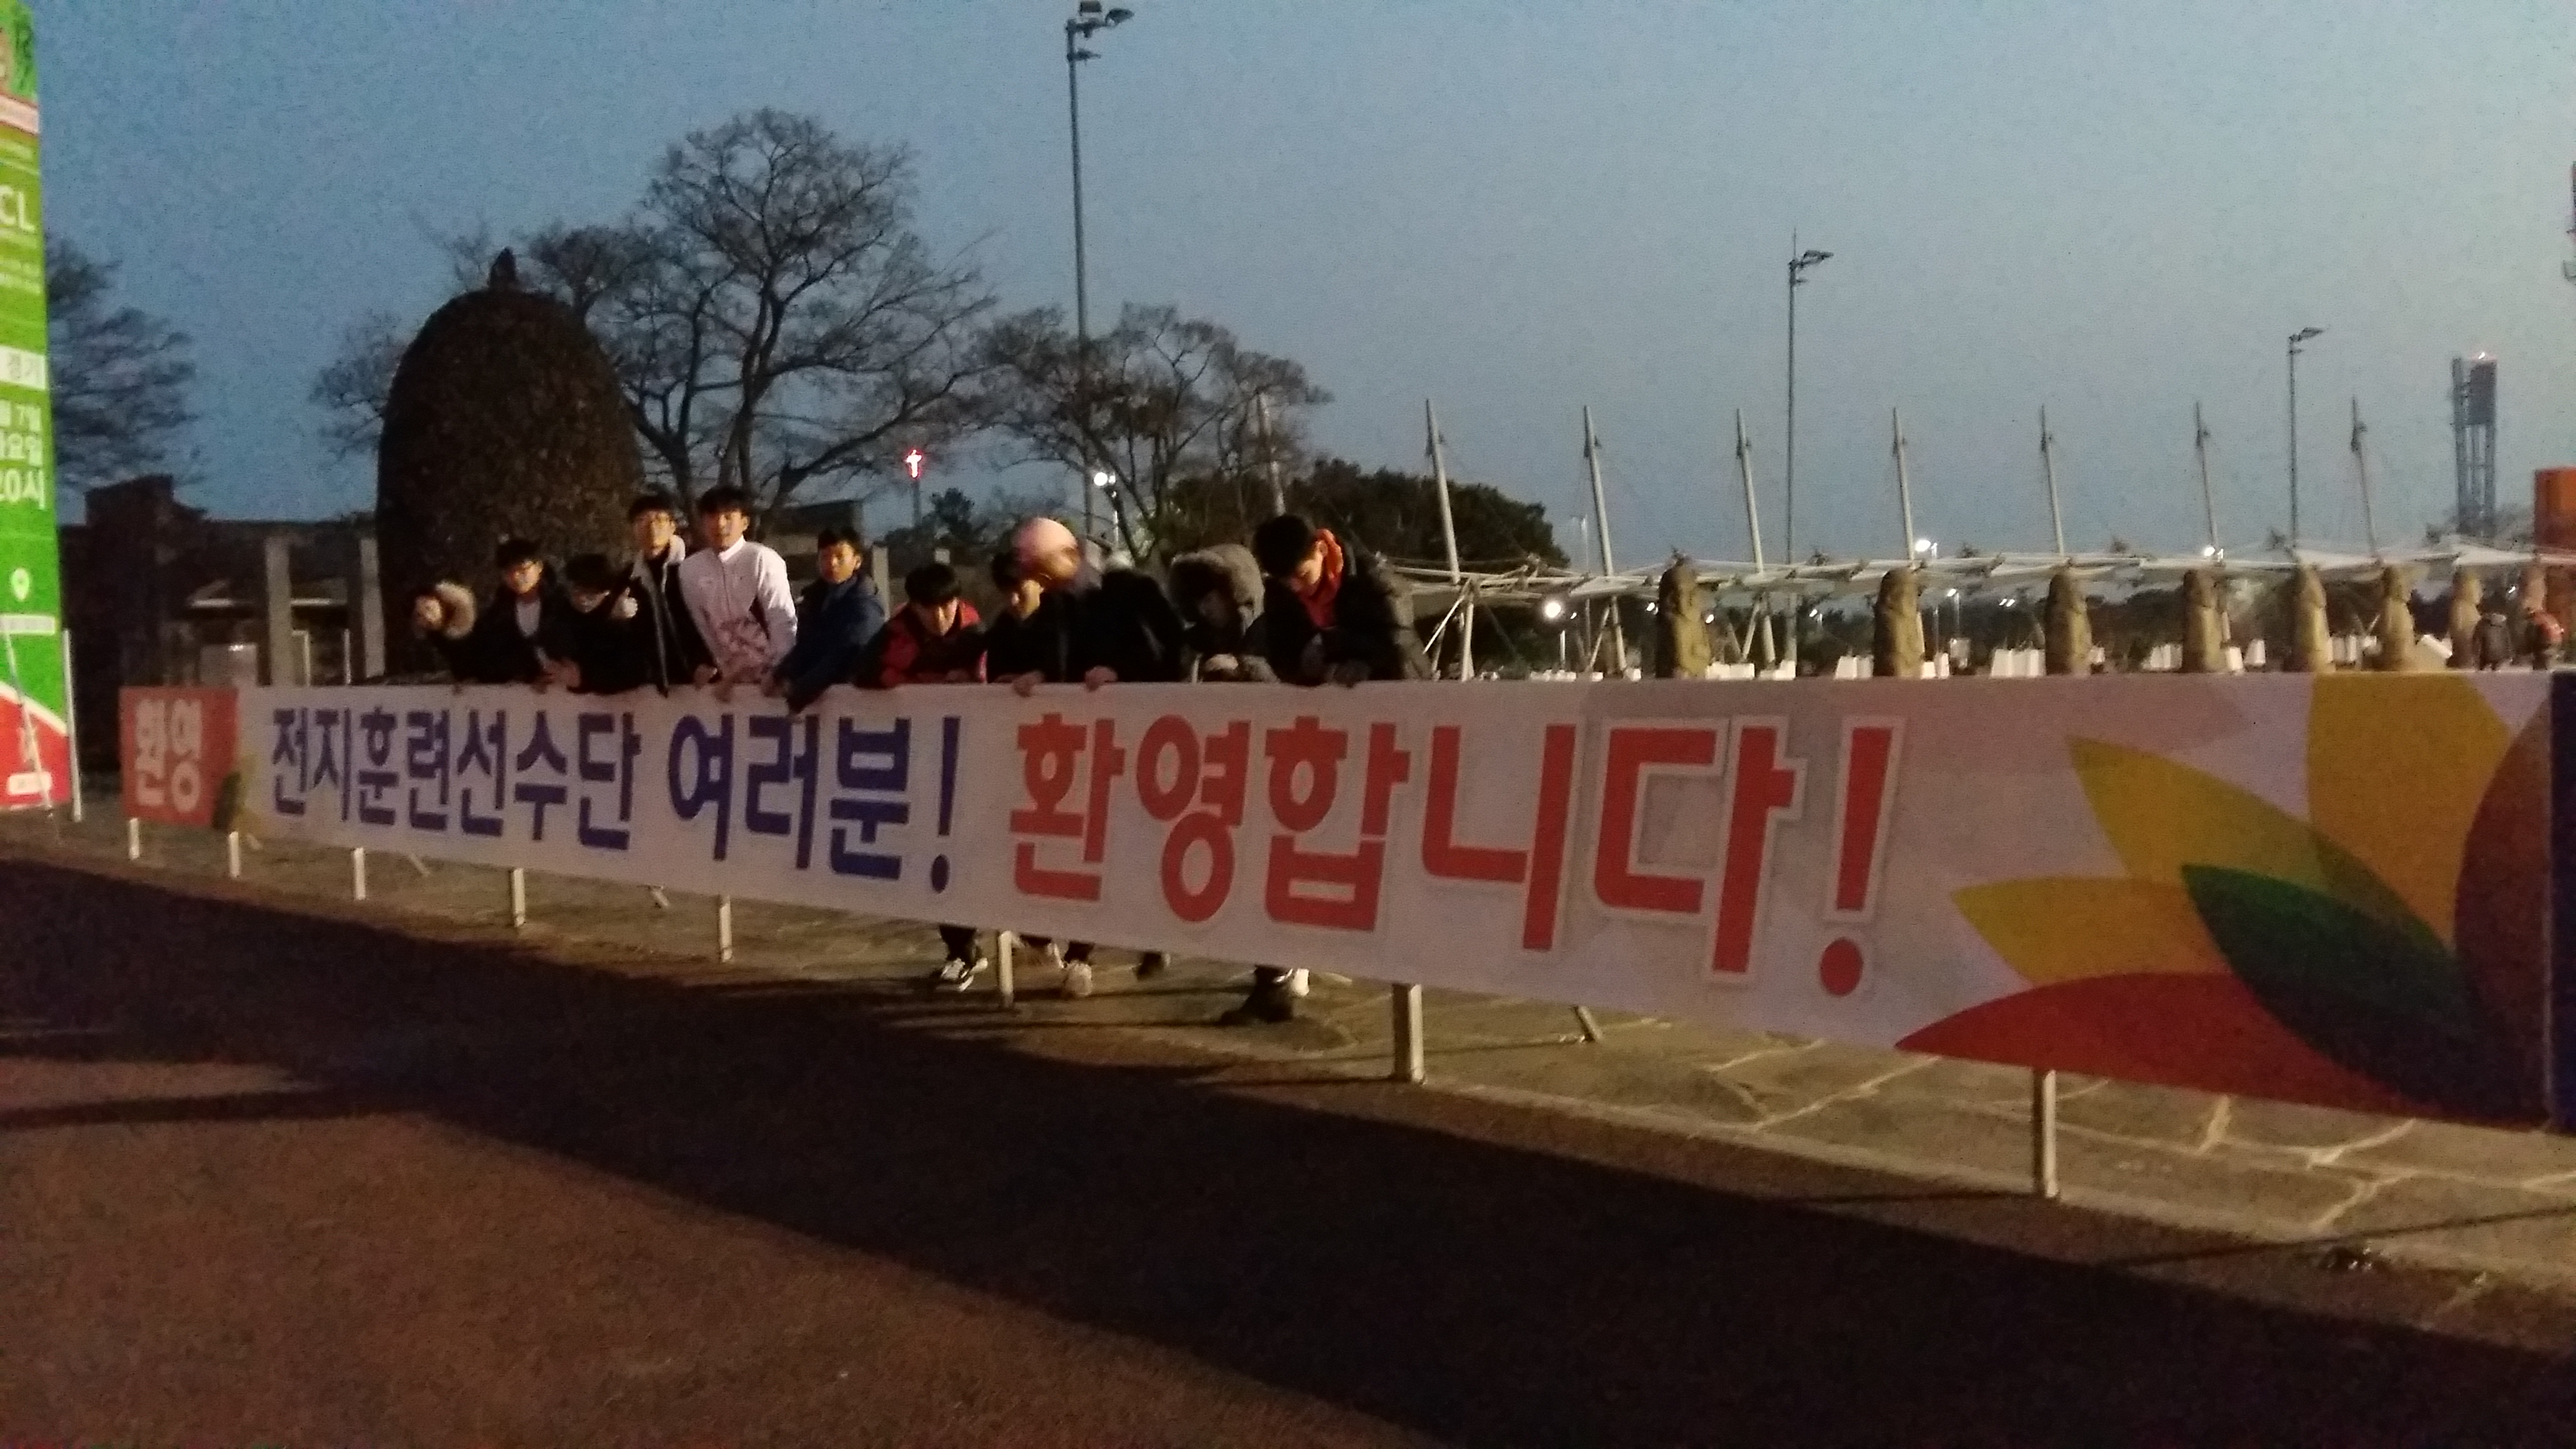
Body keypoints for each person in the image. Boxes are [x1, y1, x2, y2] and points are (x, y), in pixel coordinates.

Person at [1005, 518, 1188, 996]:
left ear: (1067, 557)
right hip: (1084, 747)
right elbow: (1055, 654)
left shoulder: (1131, 590)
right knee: (1085, 850)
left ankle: (1147, 935)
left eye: (1038, 567)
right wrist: (1041, 676)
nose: (1034, 579)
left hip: (1142, 743)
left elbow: (1170, 652)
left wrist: (1122, 674)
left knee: (1134, 847)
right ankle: (1083, 954)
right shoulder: (1059, 602)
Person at [864, 562, 988, 990]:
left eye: (946, 605)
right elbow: (865, 671)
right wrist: (909, 682)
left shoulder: (977, 632)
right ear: (913, 607)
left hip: (978, 763)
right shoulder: (897, 631)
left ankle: (1025, 937)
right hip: (924, 762)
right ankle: (962, 948)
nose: (939, 616)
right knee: (935, 858)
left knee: (976, 856)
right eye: (928, 608)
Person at [1247, 514, 1431, 686]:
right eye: (1286, 582)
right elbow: (1279, 652)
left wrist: (1362, 660)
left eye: (1303, 575)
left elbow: (1399, 645)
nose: (1296, 587)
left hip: (1400, 692)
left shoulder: (1373, 581)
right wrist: (1307, 666)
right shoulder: (1280, 594)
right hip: (1327, 701)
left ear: (1321, 549)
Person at [678, 484, 798, 698]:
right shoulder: (690, 569)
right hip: (730, 682)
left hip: (771, 679)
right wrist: (722, 670)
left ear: (745, 522)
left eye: (728, 516)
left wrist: (780, 671)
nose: (720, 524)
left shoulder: (761, 559)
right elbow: (702, 626)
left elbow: (781, 619)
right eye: (712, 516)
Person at [765, 526, 885, 712]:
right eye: (825, 557)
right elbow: (809, 646)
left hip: (853, 704)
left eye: (839, 557)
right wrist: (781, 674)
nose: (831, 563)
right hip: (813, 699)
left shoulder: (865, 604)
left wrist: (800, 691)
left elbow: (847, 656)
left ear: (857, 561)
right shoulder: (814, 598)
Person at [442, 537, 580, 686]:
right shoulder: (498, 613)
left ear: (539, 567)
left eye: (522, 569)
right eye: (509, 571)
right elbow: (486, 657)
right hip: (522, 693)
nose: (516, 577)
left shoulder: (565, 605)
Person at [617, 490, 713, 694]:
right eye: (642, 521)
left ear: (673, 526)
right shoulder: (628, 579)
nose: (652, 528)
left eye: (659, 520)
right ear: (632, 529)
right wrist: (617, 617)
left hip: (709, 680)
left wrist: (709, 660)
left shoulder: (699, 565)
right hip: (658, 689)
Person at [1169, 543, 1279, 683]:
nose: (1203, 610)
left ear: (1229, 594)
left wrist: (1242, 667)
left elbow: (1288, 683)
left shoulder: (1270, 629)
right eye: (1198, 604)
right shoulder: (1196, 645)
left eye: (1209, 600)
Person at [560, 552, 651, 695]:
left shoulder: (627, 621)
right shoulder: (563, 613)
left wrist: (585, 679)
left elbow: (635, 671)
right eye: (577, 591)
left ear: (607, 591)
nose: (583, 599)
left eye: (590, 593)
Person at [2475, 607, 2515, 671]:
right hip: (2500, 653)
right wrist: (2510, 653)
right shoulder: (2502, 624)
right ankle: (2495, 671)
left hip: (2486, 652)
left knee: (2481, 668)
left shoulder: (2482, 623)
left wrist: (2475, 651)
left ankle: (2481, 670)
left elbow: (2477, 638)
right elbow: (2507, 639)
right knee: (2496, 668)